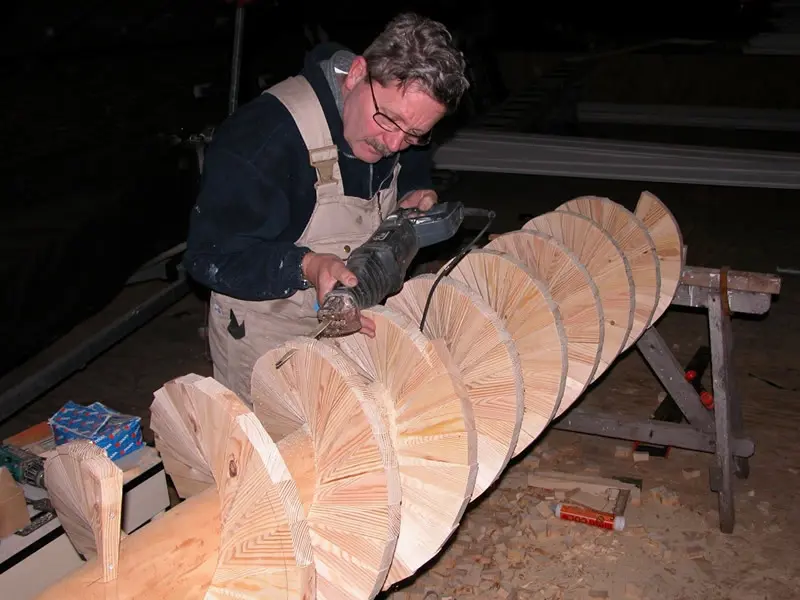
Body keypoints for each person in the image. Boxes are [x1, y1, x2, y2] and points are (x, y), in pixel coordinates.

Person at [183, 12, 470, 404]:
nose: (395, 143)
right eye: (389, 120)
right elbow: (207, 258)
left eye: (416, 134)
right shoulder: (262, 140)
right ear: (355, 75)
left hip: (355, 315)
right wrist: (306, 265)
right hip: (267, 334)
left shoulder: (395, 120)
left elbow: (410, 156)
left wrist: (416, 189)